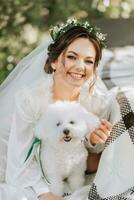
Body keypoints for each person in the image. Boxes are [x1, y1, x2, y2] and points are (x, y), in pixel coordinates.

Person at [5, 18, 113, 200]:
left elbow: (92, 156)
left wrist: (92, 139)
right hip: (17, 160)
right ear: (54, 61)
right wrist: (44, 193)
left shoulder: (96, 101)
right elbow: (19, 160)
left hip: (67, 167)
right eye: (72, 57)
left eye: (89, 61)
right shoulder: (31, 100)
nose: (80, 67)